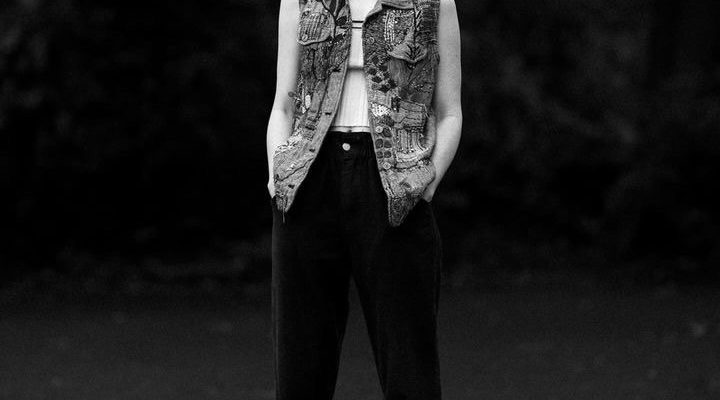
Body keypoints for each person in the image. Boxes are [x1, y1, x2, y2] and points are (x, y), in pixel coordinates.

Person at [266, 0, 462, 398]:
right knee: (300, 365)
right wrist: (277, 176)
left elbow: (449, 112)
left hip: (396, 181)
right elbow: (283, 105)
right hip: (308, 176)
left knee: (410, 363)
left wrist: (426, 182)